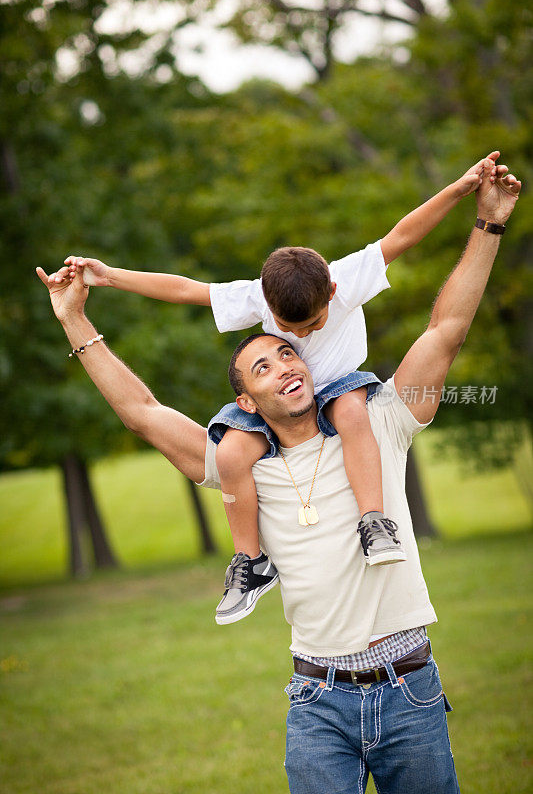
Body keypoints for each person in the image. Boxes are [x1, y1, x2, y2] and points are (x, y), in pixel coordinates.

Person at [37, 158, 520, 794]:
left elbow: (447, 328)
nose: (286, 363)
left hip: (410, 690)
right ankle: (249, 566)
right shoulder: (242, 463)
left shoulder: (380, 422)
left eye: (290, 353)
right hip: (317, 700)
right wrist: (75, 314)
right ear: (244, 402)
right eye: (262, 365)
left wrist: (486, 223)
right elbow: (143, 413)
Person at [54, 154, 500, 626]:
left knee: (351, 414)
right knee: (227, 451)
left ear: (331, 291)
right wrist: (106, 280)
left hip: (347, 392)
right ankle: (249, 561)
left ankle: (374, 522)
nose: (301, 343)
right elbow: (182, 297)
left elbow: (408, 245)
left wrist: (462, 191)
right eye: (282, 341)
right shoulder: (254, 299)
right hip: (312, 681)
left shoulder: (348, 286)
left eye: (296, 342)